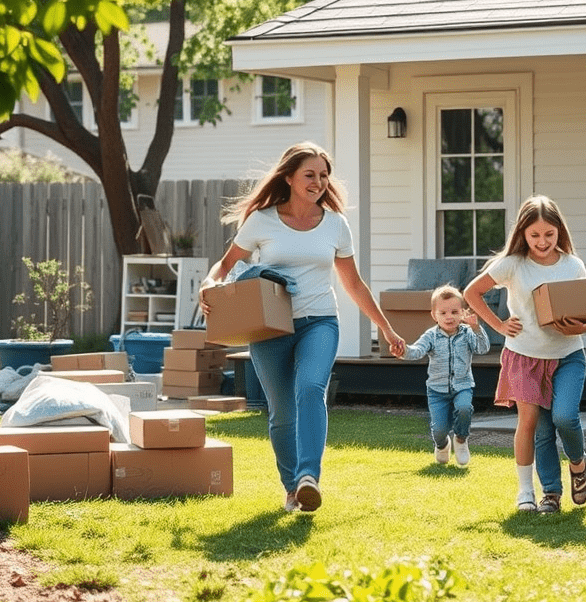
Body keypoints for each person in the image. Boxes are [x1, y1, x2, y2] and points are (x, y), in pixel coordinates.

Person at [198, 142, 405, 513]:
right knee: (280, 411)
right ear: (290, 177)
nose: (319, 182)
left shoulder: (336, 225)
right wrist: (210, 284)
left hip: (320, 321)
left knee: (311, 389)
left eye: (324, 175)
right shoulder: (262, 219)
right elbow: (225, 265)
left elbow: (354, 283)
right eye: (310, 174)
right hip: (269, 327)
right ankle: (292, 488)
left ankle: (310, 477)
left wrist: (385, 329)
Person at [465, 195, 586, 514]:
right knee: (536, 426)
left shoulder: (571, 264)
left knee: (564, 417)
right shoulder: (512, 264)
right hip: (524, 357)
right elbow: (472, 292)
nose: (542, 241)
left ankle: (578, 463)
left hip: (567, 356)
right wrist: (498, 325)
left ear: (559, 232)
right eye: (535, 235)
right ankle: (541, 493)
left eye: (549, 235)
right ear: (523, 233)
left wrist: (577, 329)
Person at [394, 284, 491, 466]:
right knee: (439, 429)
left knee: (464, 408)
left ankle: (461, 440)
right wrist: (403, 351)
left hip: (462, 386)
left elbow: (483, 348)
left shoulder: (468, 333)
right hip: (437, 391)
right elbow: (417, 351)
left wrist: (477, 328)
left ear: (462, 313)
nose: (449, 317)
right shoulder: (431, 336)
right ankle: (442, 444)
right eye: (443, 313)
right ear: (434, 315)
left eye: (454, 312)